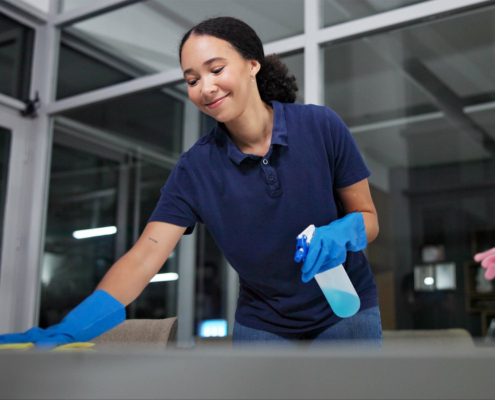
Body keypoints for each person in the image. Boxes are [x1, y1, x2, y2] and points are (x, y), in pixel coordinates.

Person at [0, 16, 381, 349]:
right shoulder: (195, 168)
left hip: (345, 307)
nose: (205, 87)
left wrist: (343, 232)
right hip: (265, 321)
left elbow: (367, 216)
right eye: (192, 79)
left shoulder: (319, 126)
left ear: (252, 65)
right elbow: (146, 255)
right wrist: (77, 325)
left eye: (216, 69)